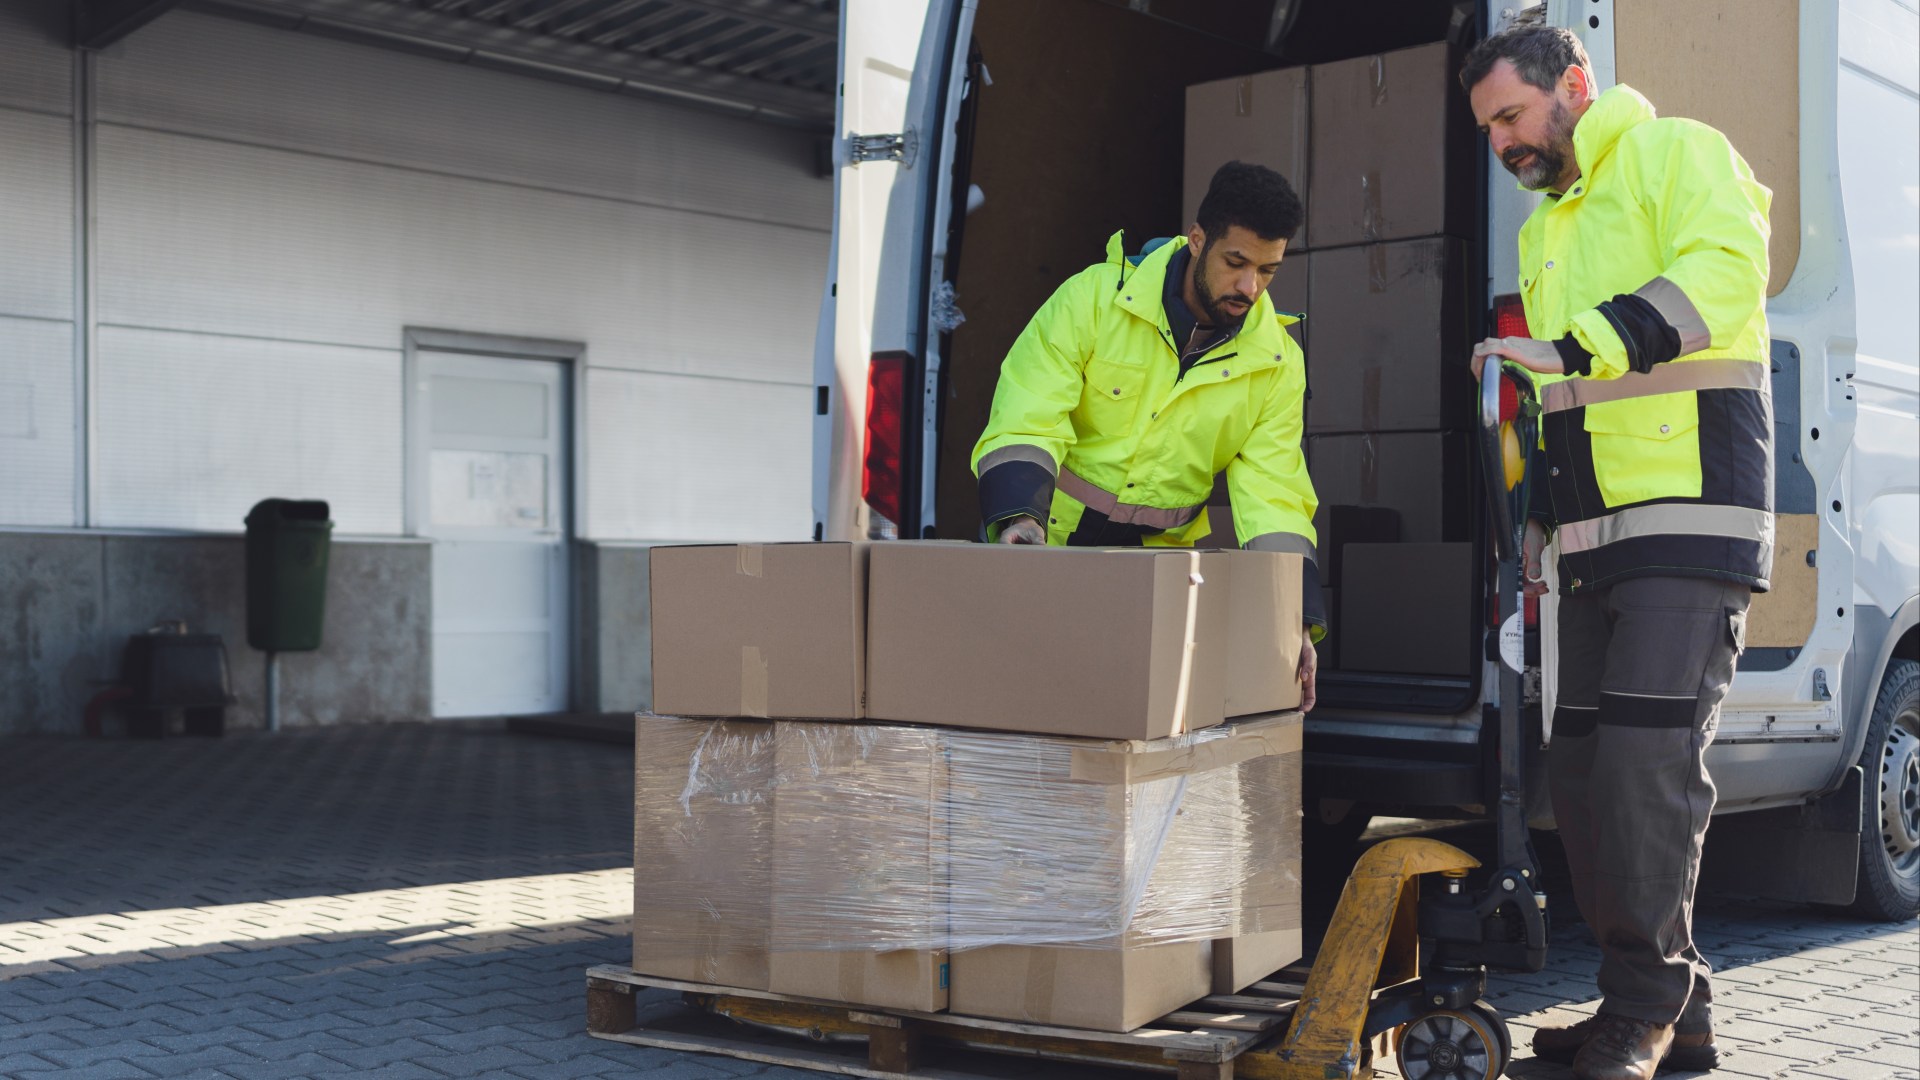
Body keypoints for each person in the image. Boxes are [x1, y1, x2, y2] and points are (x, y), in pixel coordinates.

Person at [1463, 24, 1773, 1080]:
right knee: (1587, 776)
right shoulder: (1543, 231)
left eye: (1511, 115)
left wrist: (1571, 344)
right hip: (1592, 544)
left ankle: (1639, 1014)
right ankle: (1677, 1018)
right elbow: (1563, 404)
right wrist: (1534, 530)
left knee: (1646, 767)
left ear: (1575, 85)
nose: (1503, 144)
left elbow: (1728, 274)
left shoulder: (1677, 150)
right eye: (1488, 129)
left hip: (1692, 518)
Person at [971, 161, 1324, 710]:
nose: (1250, 287)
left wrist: (1295, 618)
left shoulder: (1277, 363)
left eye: (1269, 271)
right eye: (1236, 262)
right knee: (1025, 722)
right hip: (1047, 553)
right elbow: (1028, 412)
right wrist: (1018, 519)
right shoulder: (1092, 300)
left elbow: (1275, 495)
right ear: (1198, 239)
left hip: (1157, 581)